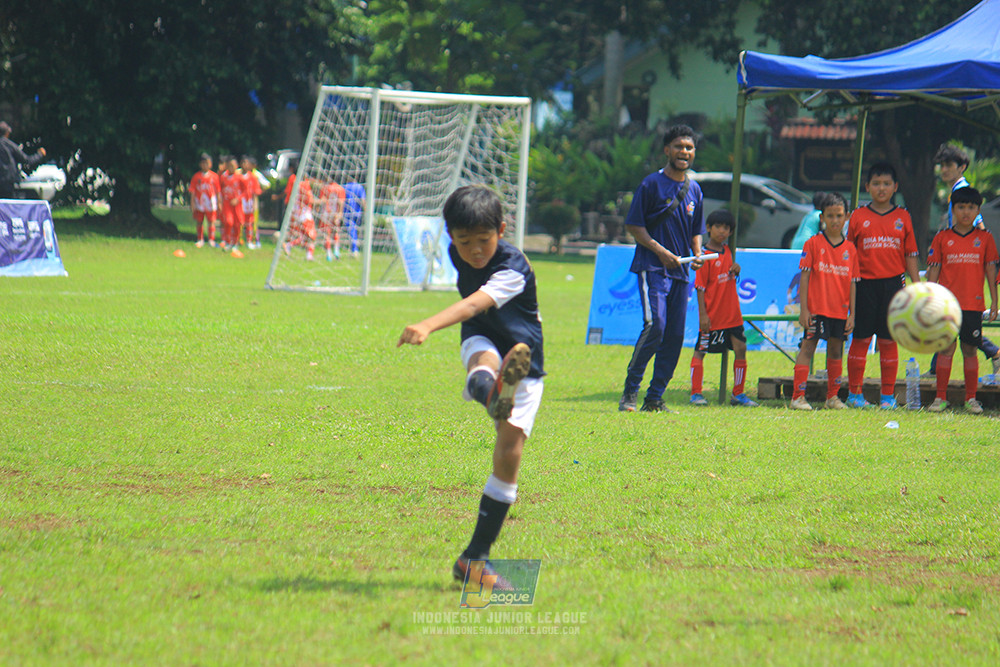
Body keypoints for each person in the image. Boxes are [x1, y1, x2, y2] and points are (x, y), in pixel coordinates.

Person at [397, 184, 544, 585]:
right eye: (464, 242)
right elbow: (474, 315)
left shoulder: (513, 267)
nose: (475, 251)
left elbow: (475, 303)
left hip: (524, 355)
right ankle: (493, 391)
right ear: (450, 237)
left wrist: (427, 324)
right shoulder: (455, 252)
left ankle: (473, 559)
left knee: (508, 455)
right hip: (481, 339)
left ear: (501, 229)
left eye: (484, 240)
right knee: (484, 361)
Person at [618, 125, 705, 413]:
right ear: (667, 150)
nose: (684, 152)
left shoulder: (695, 189)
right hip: (652, 266)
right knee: (656, 326)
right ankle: (630, 392)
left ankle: (654, 398)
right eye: (679, 146)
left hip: (681, 272)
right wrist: (660, 251)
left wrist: (697, 252)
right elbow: (634, 225)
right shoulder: (651, 185)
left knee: (675, 335)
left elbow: (696, 229)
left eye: (689, 148)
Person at [844, 162, 920, 409]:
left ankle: (887, 396)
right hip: (864, 285)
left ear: (895, 187)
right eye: (876, 183)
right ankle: (855, 395)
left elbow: (910, 255)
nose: (881, 188)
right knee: (861, 339)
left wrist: (917, 287)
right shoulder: (858, 216)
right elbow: (848, 253)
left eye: (887, 184)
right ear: (867, 187)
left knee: (888, 341)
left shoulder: (903, 216)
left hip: (893, 286)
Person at [928, 144, 1000, 377]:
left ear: (962, 167)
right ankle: (934, 369)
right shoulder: (954, 191)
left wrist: (977, 250)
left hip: (963, 261)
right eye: (942, 165)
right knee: (951, 318)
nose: (944, 170)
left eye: (949, 165)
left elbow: (977, 223)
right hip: (952, 255)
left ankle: (993, 352)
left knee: (960, 319)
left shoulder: (963, 191)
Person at [926, 187, 999, 414]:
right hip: (947, 306)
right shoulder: (942, 238)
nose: (966, 212)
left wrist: (994, 303)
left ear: (978, 210)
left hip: (973, 305)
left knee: (970, 349)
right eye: (961, 207)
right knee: (946, 348)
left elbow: (990, 272)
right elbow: (933, 272)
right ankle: (940, 398)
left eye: (971, 207)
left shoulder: (985, 239)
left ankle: (971, 399)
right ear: (953, 209)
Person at [790, 193, 859, 411]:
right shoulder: (813, 244)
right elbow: (805, 276)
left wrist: (852, 314)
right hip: (817, 310)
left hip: (840, 311)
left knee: (836, 351)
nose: (835, 220)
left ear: (846, 217)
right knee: (808, 348)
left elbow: (853, 283)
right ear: (822, 217)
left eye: (839, 215)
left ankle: (832, 397)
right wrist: (804, 309)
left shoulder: (851, 249)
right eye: (830, 216)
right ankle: (797, 397)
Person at [689, 210, 758, 407]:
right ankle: (695, 393)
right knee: (701, 351)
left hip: (732, 315)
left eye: (726, 228)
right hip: (712, 315)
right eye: (718, 226)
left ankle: (738, 394)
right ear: (709, 228)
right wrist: (703, 315)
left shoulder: (728, 251)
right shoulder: (704, 256)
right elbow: (700, 288)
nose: (722, 231)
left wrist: (737, 269)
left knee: (741, 348)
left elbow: (729, 273)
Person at [0, 121, 47, 199]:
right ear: (7, 133)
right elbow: (27, 160)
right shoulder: (9, 145)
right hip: (8, 185)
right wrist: (40, 154)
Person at [189, 153, 220, 248]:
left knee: (211, 221)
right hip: (200, 203)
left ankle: (211, 239)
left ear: (210, 164)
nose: (205, 165)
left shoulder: (214, 177)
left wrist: (219, 203)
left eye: (207, 163)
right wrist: (192, 203)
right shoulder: (196, 177)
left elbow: (218, 191)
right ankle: (200, 239)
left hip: (211, 203)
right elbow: (193, 192)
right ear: (200, 164)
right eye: (203, 163)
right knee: (199, 221)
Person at [219, 155, 243, 252]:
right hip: (227, 204)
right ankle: (228, 241)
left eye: (233, 165)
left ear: (237, 166)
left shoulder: (239, 177)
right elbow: (219, 189)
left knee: (238, 224)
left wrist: (238, 199)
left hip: (237, 204)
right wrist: (220, 202)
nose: (231, 167)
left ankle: (235, 242)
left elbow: (245, 191)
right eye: (230, 166)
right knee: (229, 222)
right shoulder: (223, 177)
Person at [318, 180, 346, 260]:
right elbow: (341, 202)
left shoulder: (325, 188)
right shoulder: (340, 188)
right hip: (335, 213)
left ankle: (329, 254)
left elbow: (323, 199)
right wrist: (340, 213)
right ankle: (336, 251)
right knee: (336, 231)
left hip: (326, 213)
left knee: (327, 234)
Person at [343, 180, 366, 257]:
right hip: (357, 213)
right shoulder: (360, 187)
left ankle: (354, 249)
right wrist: (366, 211)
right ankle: (354, 249)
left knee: (352, 231)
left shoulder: (345, 186)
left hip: (347, 212)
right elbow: (363, 200)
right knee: (354, 231)